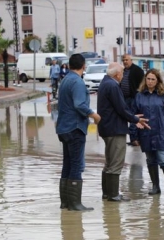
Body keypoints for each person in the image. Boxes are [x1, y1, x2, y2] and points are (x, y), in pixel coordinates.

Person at [97, 63, 150, 202]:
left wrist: (133, 117)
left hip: (107, 127)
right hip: (114, 129)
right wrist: (135, 119)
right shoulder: (113, 85)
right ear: (117, 74)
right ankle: (113, 195)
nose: (123, 75)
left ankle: (107, 194)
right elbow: (121, 108)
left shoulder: (105, 82)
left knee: (109, 163)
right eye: (122, 72)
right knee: (115, 163)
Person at [56, 54, 101, 211]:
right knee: (76, 164)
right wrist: (94, 115)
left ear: (69, 65)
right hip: (75, 128)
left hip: (63, 127)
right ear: (84, 66)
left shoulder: (65, 80)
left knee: (67, 164)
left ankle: (65, 202)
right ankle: (75, 203)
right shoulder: (77, 82)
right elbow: (79, 104)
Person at [131, 69, 164, 196]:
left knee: (163, 159)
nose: (150, 81)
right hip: (146, 133)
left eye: (153, 79)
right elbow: (134, 116)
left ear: (158, 81)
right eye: (148, 79)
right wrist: (134, 135)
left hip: (161, 132)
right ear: (145, 80)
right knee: (150, 160)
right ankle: (155, 186)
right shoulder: (139, 95)